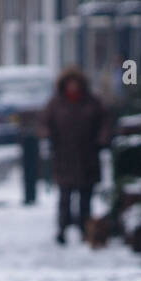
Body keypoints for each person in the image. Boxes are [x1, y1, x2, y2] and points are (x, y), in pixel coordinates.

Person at [42, 66, 108, 245]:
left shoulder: (92, 102)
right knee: (65, 197)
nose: (73, 87)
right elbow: (46, 124)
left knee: (85, 198)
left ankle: (84, 229)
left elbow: (104, 123)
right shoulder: (56, 104)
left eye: (76, 83)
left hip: (87, 157)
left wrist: (101, 140)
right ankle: (62, 229)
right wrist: (49, 137)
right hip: (64, 157)